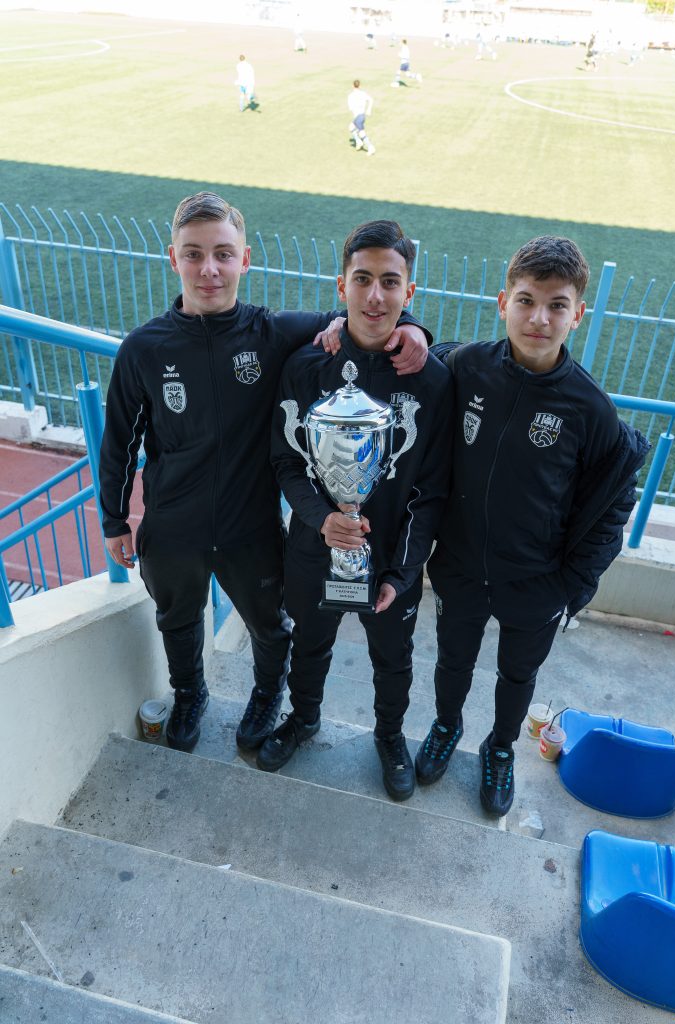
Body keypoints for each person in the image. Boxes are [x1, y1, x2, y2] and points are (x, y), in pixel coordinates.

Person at [99, 193, 431, 757]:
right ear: (173, 258)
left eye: (223, 254)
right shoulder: (143, 349)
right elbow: (119, 442)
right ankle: (189, 694)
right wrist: (113, 519)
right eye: (193, 254)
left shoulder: (274, 332)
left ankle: (266, 694)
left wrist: (415, 327)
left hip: (249, 527)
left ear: (245, 260)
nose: (209, 269)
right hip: (172, 525)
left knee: (269, 624)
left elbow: (364, 315)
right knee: (177, 619)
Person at [415, 236, 650, 817]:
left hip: (536, 581)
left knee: (517, 675)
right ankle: (446, 726)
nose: (539, 318)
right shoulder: (466, 367)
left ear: (578, 314)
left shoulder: (589, 408)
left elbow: (613, 505)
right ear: (503, 303)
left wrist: (569, 586)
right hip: (460, 565)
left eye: (556, 305)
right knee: (452, 661)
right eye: (526, 301)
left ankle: (499, 748)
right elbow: (408, 361)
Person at [257, 220, 454, 802]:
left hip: (389, 558)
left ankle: (389, 736)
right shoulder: (305, 365)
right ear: (341, 286)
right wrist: (322, 519)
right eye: (362, 279)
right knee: (309, 642)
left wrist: (403, 571)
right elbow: (286, 462)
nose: (374, 296)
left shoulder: (430, 378)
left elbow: (432, 491)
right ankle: (304, 717)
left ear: (408, 293)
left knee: (392, 657)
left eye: (390, 282)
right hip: (314, 547)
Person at [347, 80, 376, 156]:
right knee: (351, 127)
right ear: (359, 86)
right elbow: (371, 100)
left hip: (358, 117)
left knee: (361, 133)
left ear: (353, 85)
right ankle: (358, 141)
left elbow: (351, 108)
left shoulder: (350, 96)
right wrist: (368, 110)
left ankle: (370, 147)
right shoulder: (363, 93)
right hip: (362, 115)